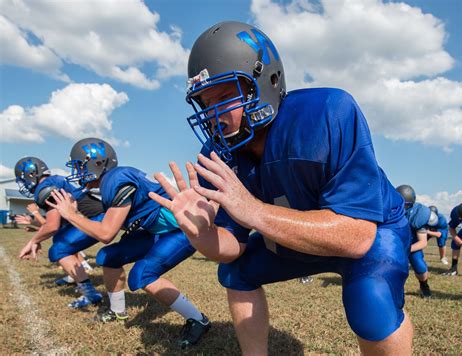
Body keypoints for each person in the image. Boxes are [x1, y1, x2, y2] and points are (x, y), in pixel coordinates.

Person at [151, 21, 413, 354]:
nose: (214, 114)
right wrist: (200, 234)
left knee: (371, 304)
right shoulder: (217, 155)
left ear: (266, 82)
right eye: (205, 102)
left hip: (371, 229)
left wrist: (253, 210)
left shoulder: (327, 113)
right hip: (293, 234)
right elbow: (233, 248)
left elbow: (357, 236)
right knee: (236, 271)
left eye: (225, 95)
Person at [48, 138, 210, 349]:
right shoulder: (109, 182)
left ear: (97, 163)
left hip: (180, 229)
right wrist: (74, 213)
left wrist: (70, 215)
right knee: (108, 257)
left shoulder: (116, 179)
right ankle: (117, 311)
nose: (78, 172)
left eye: (80, 166)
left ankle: (199, 319)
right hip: (153, 229)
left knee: (142, 275)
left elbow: (106, 233)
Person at [15, 156, 103, 308]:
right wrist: (36, 230)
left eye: (23, 180)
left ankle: (90, 294)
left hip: (99, 217)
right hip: (98, 215)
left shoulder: (46, 187)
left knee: (59, 249)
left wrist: (33, 241)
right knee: (60, 239)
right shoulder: (55, 181)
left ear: (31, 175)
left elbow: (52, 225)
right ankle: (85, 287)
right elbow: (57, 224)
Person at [396, 185, 438, 298]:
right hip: (394, 241)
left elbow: (422, 242)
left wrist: (406, 250)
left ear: (411, 204)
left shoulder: (418, 214)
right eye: (400, 203)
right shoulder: (388, 209)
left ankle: (424, 286)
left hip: (412, 243)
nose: (402, 207)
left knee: (419, 265)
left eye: (406, 205)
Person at [443, 201, 462, 276]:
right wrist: (457, 238)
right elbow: (452, 228)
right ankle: (453, 269)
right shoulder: (456, 213)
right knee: (455, 243)